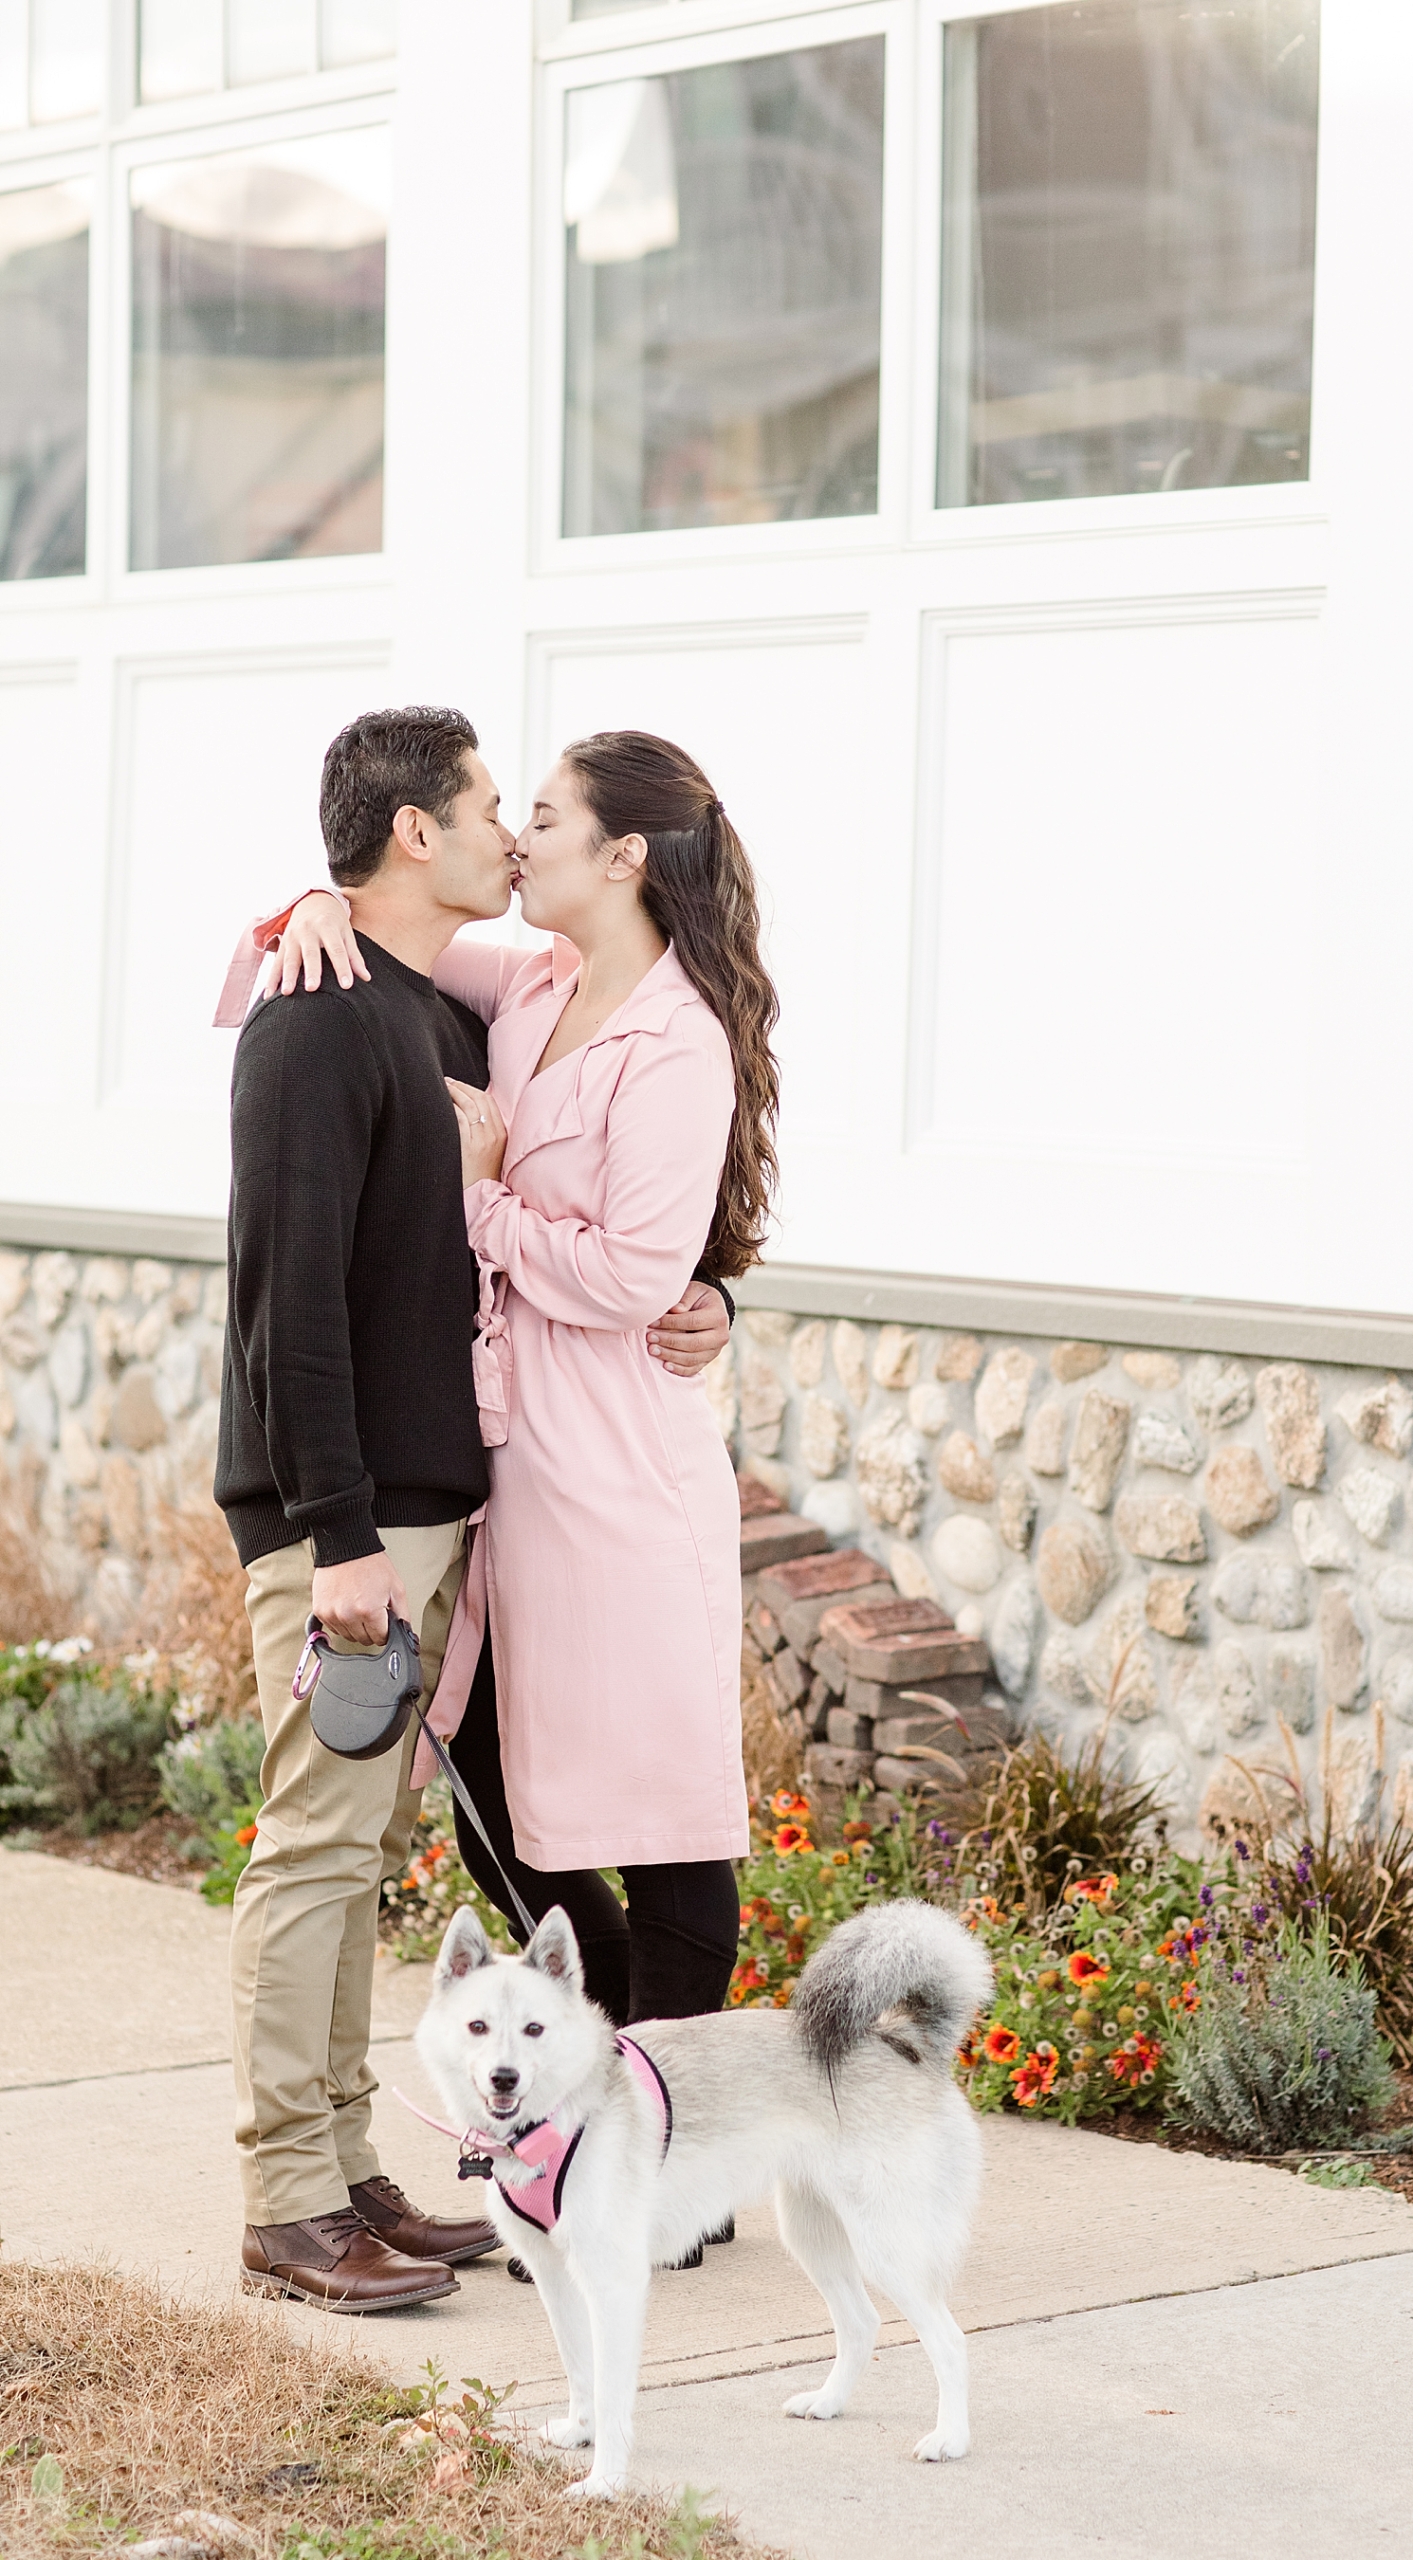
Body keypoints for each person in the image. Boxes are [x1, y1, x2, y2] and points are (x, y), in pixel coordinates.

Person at [216, 707, 730, 2314]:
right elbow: (286, 1299)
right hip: (365, 1512)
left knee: (406, 1840)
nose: (518, 832)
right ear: (416, 834)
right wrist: (341, 1528)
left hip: (477, 1488)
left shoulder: (466, 1006)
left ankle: (374, 2173)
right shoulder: (339, 1009)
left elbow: (626, 1231)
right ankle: (291, 2196)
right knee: (334, 1845)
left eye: (542, 812)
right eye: (496, 808)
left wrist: (696, 1282)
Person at [273, 731, 778, 2052]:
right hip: (515, 1463)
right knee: (497, 1797)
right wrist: (315, 902)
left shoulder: (681, 1041)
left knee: (659, 1817)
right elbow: (384, 941)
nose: (517, 839)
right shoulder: (533, 986)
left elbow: (627, 1278)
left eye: (540, 820)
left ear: (621, 856)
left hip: (619, 1466)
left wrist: (480, 1201)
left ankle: (664, 2143)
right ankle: (613, 2087)